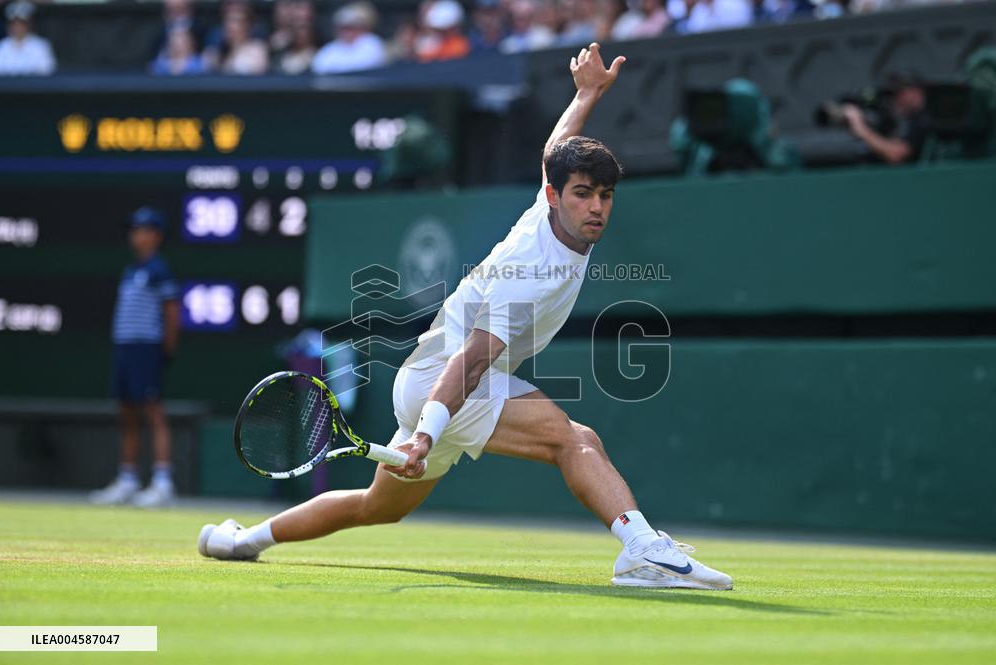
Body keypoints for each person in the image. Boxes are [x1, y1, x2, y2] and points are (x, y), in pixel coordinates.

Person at [198, 43, 733, 591]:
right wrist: (428, 435)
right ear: (554, 196)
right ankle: (641, 549)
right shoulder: (527, 269)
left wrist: (586, 94)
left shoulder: (556, 210)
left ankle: (240, 540)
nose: (596, 207)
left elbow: (555, 149)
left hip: (429, 384)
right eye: (583, 195)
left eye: (604, 195)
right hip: (443, 383)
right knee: (573, 439)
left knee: (376, 506)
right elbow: (472, 360)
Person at [91, 207, 181, 508]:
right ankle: (128, 479)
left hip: (147, 348)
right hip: (126, 347)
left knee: (153, 412)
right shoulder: (131, 270)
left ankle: (162, 482)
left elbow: (171, 313)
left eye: (141, 230)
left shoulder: (160, 270)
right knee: (127, 413)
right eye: (134, 229)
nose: (135, 235)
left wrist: (165, 349)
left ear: (155, 235)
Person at [843, 73, 927, 165]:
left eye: (918, 90)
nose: (918, 95)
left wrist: (862, 130)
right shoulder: (886, 115)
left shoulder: (920, 121)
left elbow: (896, 154)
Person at [311, 2, 387, 74]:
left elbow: (366, 66)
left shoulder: (371, 42)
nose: (346, 32)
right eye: (343, 27)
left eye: (351, 27)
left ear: (360, 27)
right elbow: (319, 67)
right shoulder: (329, 49)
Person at [0, 1, 55, 76]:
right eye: (14, 24)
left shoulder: (41, 46)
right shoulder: (1, 47)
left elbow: (47, 74)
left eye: (21, 24)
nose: (17, 27)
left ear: (29, 24)